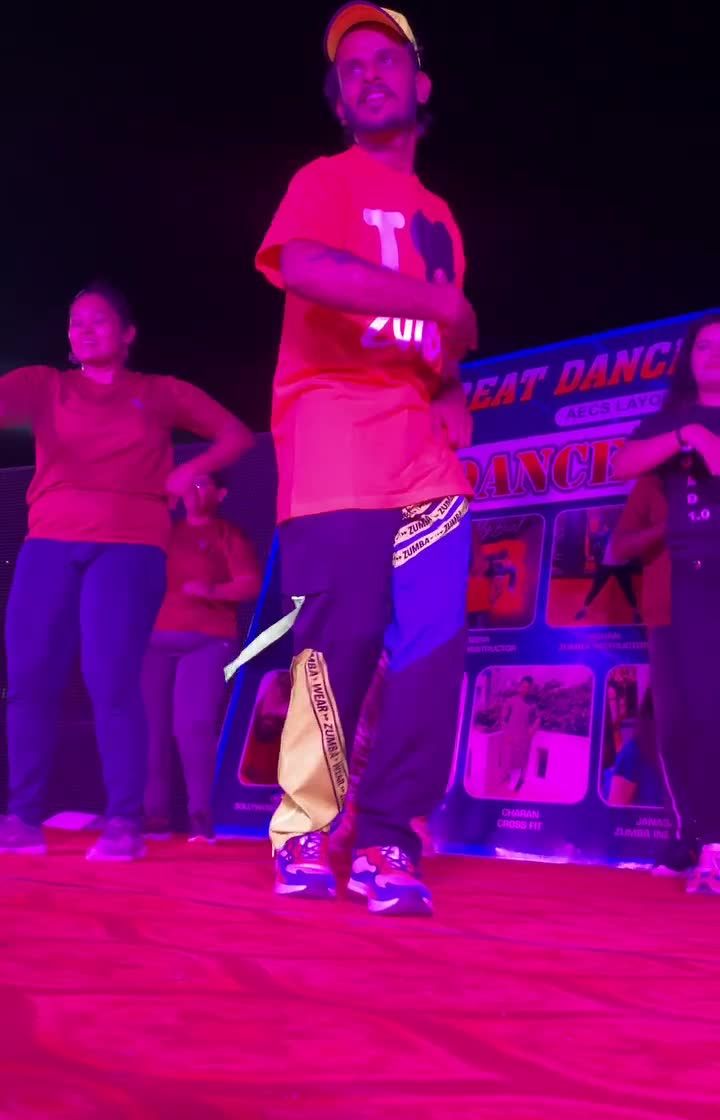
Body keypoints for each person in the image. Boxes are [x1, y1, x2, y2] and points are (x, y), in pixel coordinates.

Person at [254, 5, 477, 916]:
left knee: (432, 645)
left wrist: (452, 381)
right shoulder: (324, 179)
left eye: (386, 60)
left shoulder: (443, 218)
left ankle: (389, 837)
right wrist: (441, 309)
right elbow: (303, 266)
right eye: (352, 69)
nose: (370, 75)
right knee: (336, 644)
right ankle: (305, 824)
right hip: (334, 435)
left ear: (421, 86)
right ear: (340, 102)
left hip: (423, 456)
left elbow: (439, 348)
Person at [0, 284, 253, 861]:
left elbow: (235, 434)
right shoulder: (46, 385)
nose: (84, 330)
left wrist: (191, 470)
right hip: (49, 542)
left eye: (98, 321)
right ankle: (23, 817)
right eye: (76, 323)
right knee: (31, 677)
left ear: (127, 333)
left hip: (129, 545)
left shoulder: (159, 393)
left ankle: (124, 822)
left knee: (111, 678)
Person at [614, 312, 720, 894]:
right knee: (681, 718)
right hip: (682, 579)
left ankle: (712, 842)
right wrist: (688, 437)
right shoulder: (671, 420)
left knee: (714, 710)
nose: (712, 354)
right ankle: (695, 838)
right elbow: (623, 464)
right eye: (703, 346)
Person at [142, 473, 261, 843]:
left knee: (192, 726)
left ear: (221, 494)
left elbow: (250, 583)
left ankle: (201, 816)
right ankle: (153, 817)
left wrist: (212, 590)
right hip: (155, 642)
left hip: (208, 641)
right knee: (150, 729)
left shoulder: (228, 535)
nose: (195, 491)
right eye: (190, 484)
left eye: (204, 484)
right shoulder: (166, 533)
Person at [605, 474, 698, 874]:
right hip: (667, 619)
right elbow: (620, 546)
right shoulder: (654, 482)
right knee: (674, 729)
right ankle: (691, 840)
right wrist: (669, 527)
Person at [575, 512, 641, 623]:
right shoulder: (606, 535)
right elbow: (594, 540)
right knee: (596, 589)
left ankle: (636, 613)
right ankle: (584, 609)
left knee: (628, 590)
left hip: (621, 566)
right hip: (606, 566)